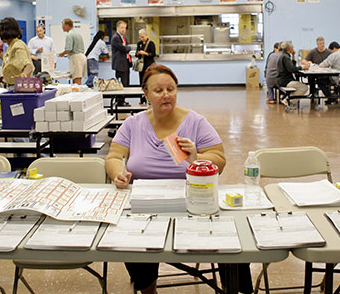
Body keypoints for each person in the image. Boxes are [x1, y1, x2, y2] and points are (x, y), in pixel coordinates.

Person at [106, 65, 252, 294]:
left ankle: (234, 289)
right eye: (159, 90)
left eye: (171, 89)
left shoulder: (195, 122)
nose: (166, 94)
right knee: (130, 235)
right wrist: (117, 173)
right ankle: (147, 288)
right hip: (145, 205)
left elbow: (219, 161)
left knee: (231, 237)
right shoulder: (133, 124)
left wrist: (197, 157)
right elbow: (114, 156)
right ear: (146, 94)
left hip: (194, 203)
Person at [0, 17, 33, 85]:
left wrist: (23, 75)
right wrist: (4, 79)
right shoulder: (11, 46)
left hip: (19, 86)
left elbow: (29, 66)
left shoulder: (17, 46)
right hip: (13, 85)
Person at [275, 41, 308, 105]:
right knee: (304, 87)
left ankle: (287, 98)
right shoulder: (285, 57)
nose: (293, 48)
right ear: (289, 48)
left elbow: (292, 66)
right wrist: (302, 67)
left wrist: (293, 56)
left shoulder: (285, 56)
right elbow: (292, 69)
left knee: (299, 85)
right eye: (292, 47)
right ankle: (288, 100)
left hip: (282, 79)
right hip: (285, 81)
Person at [58, 18, 87, 85]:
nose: (62, 27)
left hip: (76, 58)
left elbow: (68, 49)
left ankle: (77, 94)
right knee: (79, 78)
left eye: (63, 25)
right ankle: (78, 93)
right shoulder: (77, 34)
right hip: (82, 57)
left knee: (76, 79)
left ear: (67, 25)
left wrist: (61, 54)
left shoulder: (69, 34)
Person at [111, 20, 132, 87]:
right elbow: (124, 49)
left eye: (125, 28)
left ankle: (122, 97)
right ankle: (120, 98)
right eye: (122, 28)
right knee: (122, 84)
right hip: (120, 65)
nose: (124, 30)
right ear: (117, 28)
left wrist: (126, 47)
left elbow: (126, 47)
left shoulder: (124, 37)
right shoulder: (116, 38)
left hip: (125, 63)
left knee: (126, 83)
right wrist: (127, 48)